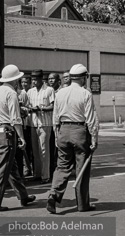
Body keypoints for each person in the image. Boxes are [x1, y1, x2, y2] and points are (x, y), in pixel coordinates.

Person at [47, 64, 98, 214]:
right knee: (82, 167)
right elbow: (90, 119)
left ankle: (53, 195)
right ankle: (82, 204)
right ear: (83, 78)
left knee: (62, 166)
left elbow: (55, 117)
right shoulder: (85, 94)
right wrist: (94, 138)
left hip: (63, 130)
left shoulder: (60, 93)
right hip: (80, 131)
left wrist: (57, 135)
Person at [0, 64, 36, 211]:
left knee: (10, 165)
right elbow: (15, 118)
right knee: (2, 168)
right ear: (15, 80)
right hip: (7, 131)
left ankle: (23, 195)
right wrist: (21, 137)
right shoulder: (12, 93)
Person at [27, 70, 55, 184]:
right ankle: (37, 174)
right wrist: (29, 109)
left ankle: (46, 175)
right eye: (32, 79)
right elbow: (28, 105)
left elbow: (53, 106)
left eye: (36, 79)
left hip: (45, 123)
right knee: (35, 151)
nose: (34, 81)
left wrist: (41, 108)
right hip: (33, 123)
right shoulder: (30, 91)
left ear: (41, 79)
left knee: (44, 150)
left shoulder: (49, 90)